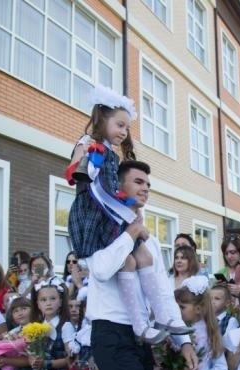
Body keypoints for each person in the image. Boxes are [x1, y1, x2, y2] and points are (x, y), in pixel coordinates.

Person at [84, 159, 198, 370]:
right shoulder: (102, 230)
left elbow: (162, 295)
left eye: (148, 184)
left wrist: (184, 342)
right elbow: (101, 270)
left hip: (141, 341)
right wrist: (131, 232)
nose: (145, 188)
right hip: (111, 336)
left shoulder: (152, 243)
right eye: (138, 182)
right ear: (117, 187)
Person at [66, 85, 191, 344]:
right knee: (128, 261)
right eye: (119, 125)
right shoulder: (87, 144)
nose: (123, 132)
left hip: (112, 214)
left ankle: (162, 318)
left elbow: (112, 190)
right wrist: (83, 163)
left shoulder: (112, 154)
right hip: (95, 215)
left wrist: (127, 205)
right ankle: (141, 325)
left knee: (142, 257)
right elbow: (74, 174)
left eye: (126, 127)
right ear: (102, 120)